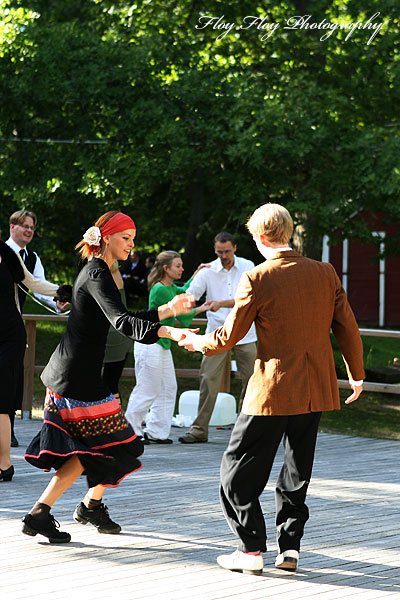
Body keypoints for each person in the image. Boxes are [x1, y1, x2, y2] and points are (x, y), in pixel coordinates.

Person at [179, 203, 364, 575]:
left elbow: (229, 336)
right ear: (289, 231)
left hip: (272, 390)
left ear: (261, 237)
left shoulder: (258, 277)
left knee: (236, 469)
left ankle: (250, 550)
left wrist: (196, 342)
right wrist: (356, 375)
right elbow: (347, 326)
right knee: (297, 469)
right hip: (315, 389)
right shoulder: (325, 272)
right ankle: (290, 547)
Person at [21, 211, 196, 544]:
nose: (131, 244)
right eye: (126, 237)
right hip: (74, 380)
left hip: (80, 377)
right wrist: (169, 331)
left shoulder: (99, 271)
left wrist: (168, 311)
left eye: (133, 238)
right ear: (107, 237)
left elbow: (125, 318)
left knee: (96, 449)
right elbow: (123, 323)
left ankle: (58, 510)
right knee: (116, 445)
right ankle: (77, 507)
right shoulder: (97, 272)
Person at [178, 232, 257, 444]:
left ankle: (245, 430)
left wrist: (220, 303)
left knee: (252, 381)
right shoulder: (208, 271)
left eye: (227, 251)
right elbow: (190, 295)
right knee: (208, 379)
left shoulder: (248, 267)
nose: (224, 255)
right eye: (219, 252)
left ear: (235, 248)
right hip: (216, 334)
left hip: (245, 333)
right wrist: (193, 276)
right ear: (215, 251)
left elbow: (249, 299)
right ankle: (199, 430)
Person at [125, 251, 212, 444]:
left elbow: (184, 291)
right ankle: (130, 432)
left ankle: (156, 432)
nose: (181, 269)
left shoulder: (170, 287)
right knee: (147, 389)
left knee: (168, 388)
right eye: (178, 266)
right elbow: (183, 314)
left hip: (161, 344)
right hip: (149, 343)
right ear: (166, 268)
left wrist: (196, 274)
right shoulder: (160, 290)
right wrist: (202, 308)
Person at [0, 240, 65, 482]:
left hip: (10, 337)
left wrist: (63, 291)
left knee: (2, 403)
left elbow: (33, 282)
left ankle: (5, 465)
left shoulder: (7, 255)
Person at [6, 209, 62, 447]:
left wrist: (59, 300)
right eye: (24, 226)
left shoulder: (32, 258)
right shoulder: (3, 252)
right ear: (12, 227)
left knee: (12, 379)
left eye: (31, 227)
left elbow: (39, 286)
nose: (28, 230)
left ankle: (7, 430)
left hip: (13, 327)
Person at [102, 261, 132, 405]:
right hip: (122, 334)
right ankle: (115, 419)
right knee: (111, 382)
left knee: (107, 384)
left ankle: (112, 420)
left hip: (111, 334)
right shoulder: (115, 272)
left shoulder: (104, 274)